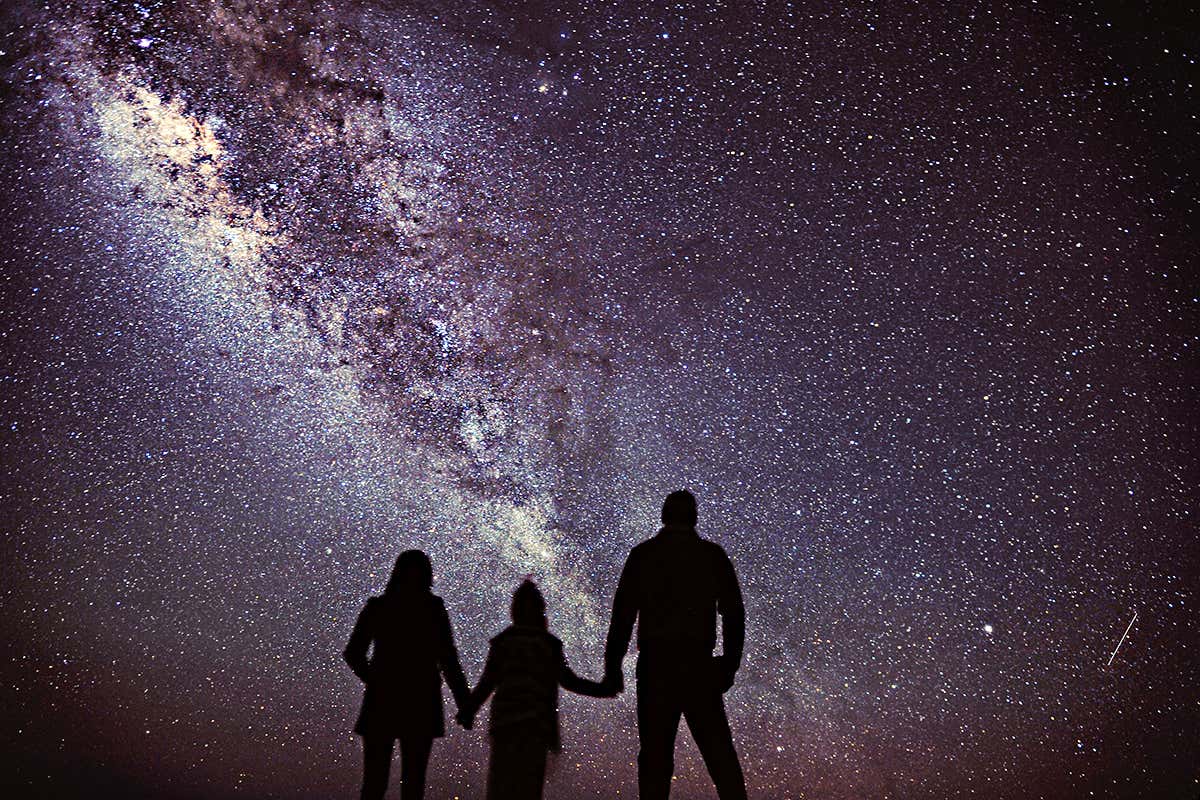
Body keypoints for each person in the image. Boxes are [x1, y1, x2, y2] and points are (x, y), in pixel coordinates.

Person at [603, 490, 747, 800]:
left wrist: (613, 669)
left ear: (663, 516)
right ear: (694, 517)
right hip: (699, 666)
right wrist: (730, 664)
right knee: (720, 758)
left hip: (656, 667)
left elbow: (623, 615)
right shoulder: (712, 555)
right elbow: (734, 613)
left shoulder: (643, 555)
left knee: (655, 761)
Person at [457, 578, 614, 800]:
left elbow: (487, 683)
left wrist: (468, 710)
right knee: (529, 789)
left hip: (505, 726)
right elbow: (569, 681)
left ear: (514, 609)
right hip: (536, 727)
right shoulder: (549, 644)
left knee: (500, 787)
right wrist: (602, 689)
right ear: (541, 610)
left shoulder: (503, 642)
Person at [343, 550, 470, 800]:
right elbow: (448, 659)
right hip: (420, 701)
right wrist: (465, 704)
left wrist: (376, 681)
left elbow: (353, 653)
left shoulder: (379, 607)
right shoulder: (433, 609)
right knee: (412, 785)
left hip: (383, 702)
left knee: (374, 784)